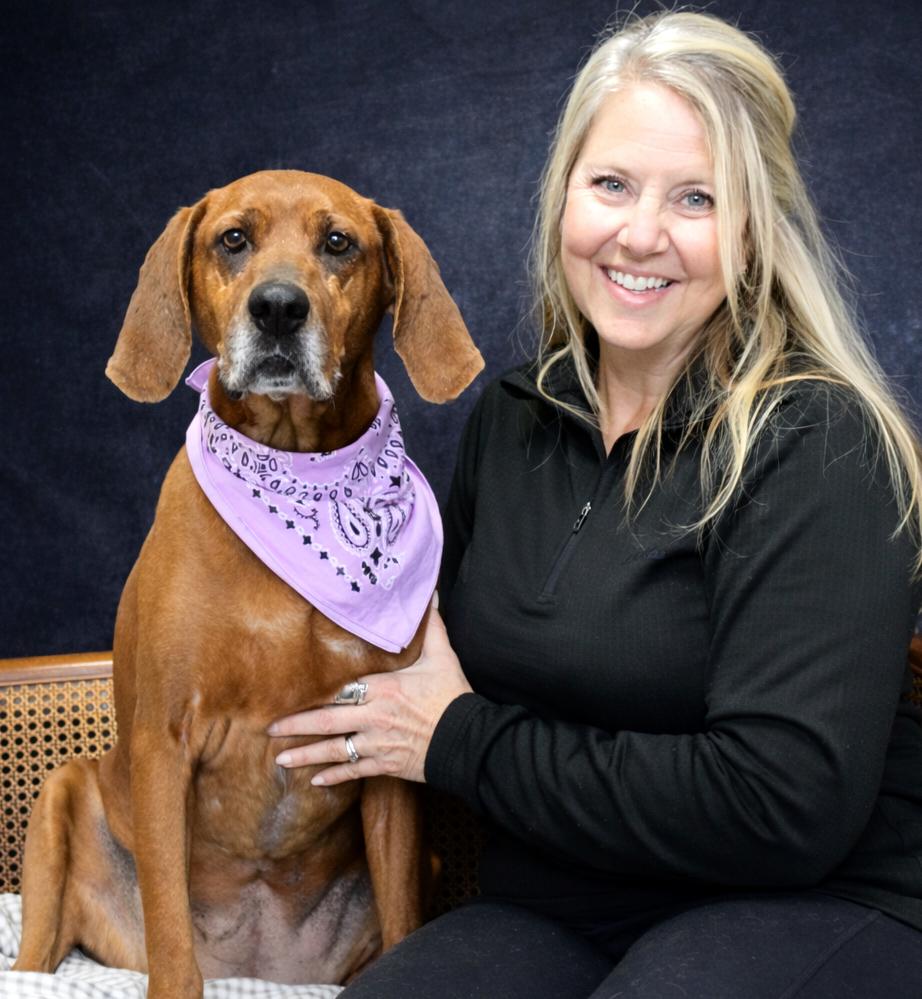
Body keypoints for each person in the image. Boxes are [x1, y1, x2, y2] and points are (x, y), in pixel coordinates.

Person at [267, 10, 922, 997]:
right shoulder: (514, 418)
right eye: (610, 184)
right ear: (563, 196)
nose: (640, 234)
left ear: (753, 230)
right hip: (558, 908)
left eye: (697, 198)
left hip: (825, 900)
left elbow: (780, 808)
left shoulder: (822, 444)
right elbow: (429, 666)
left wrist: (458, 741)